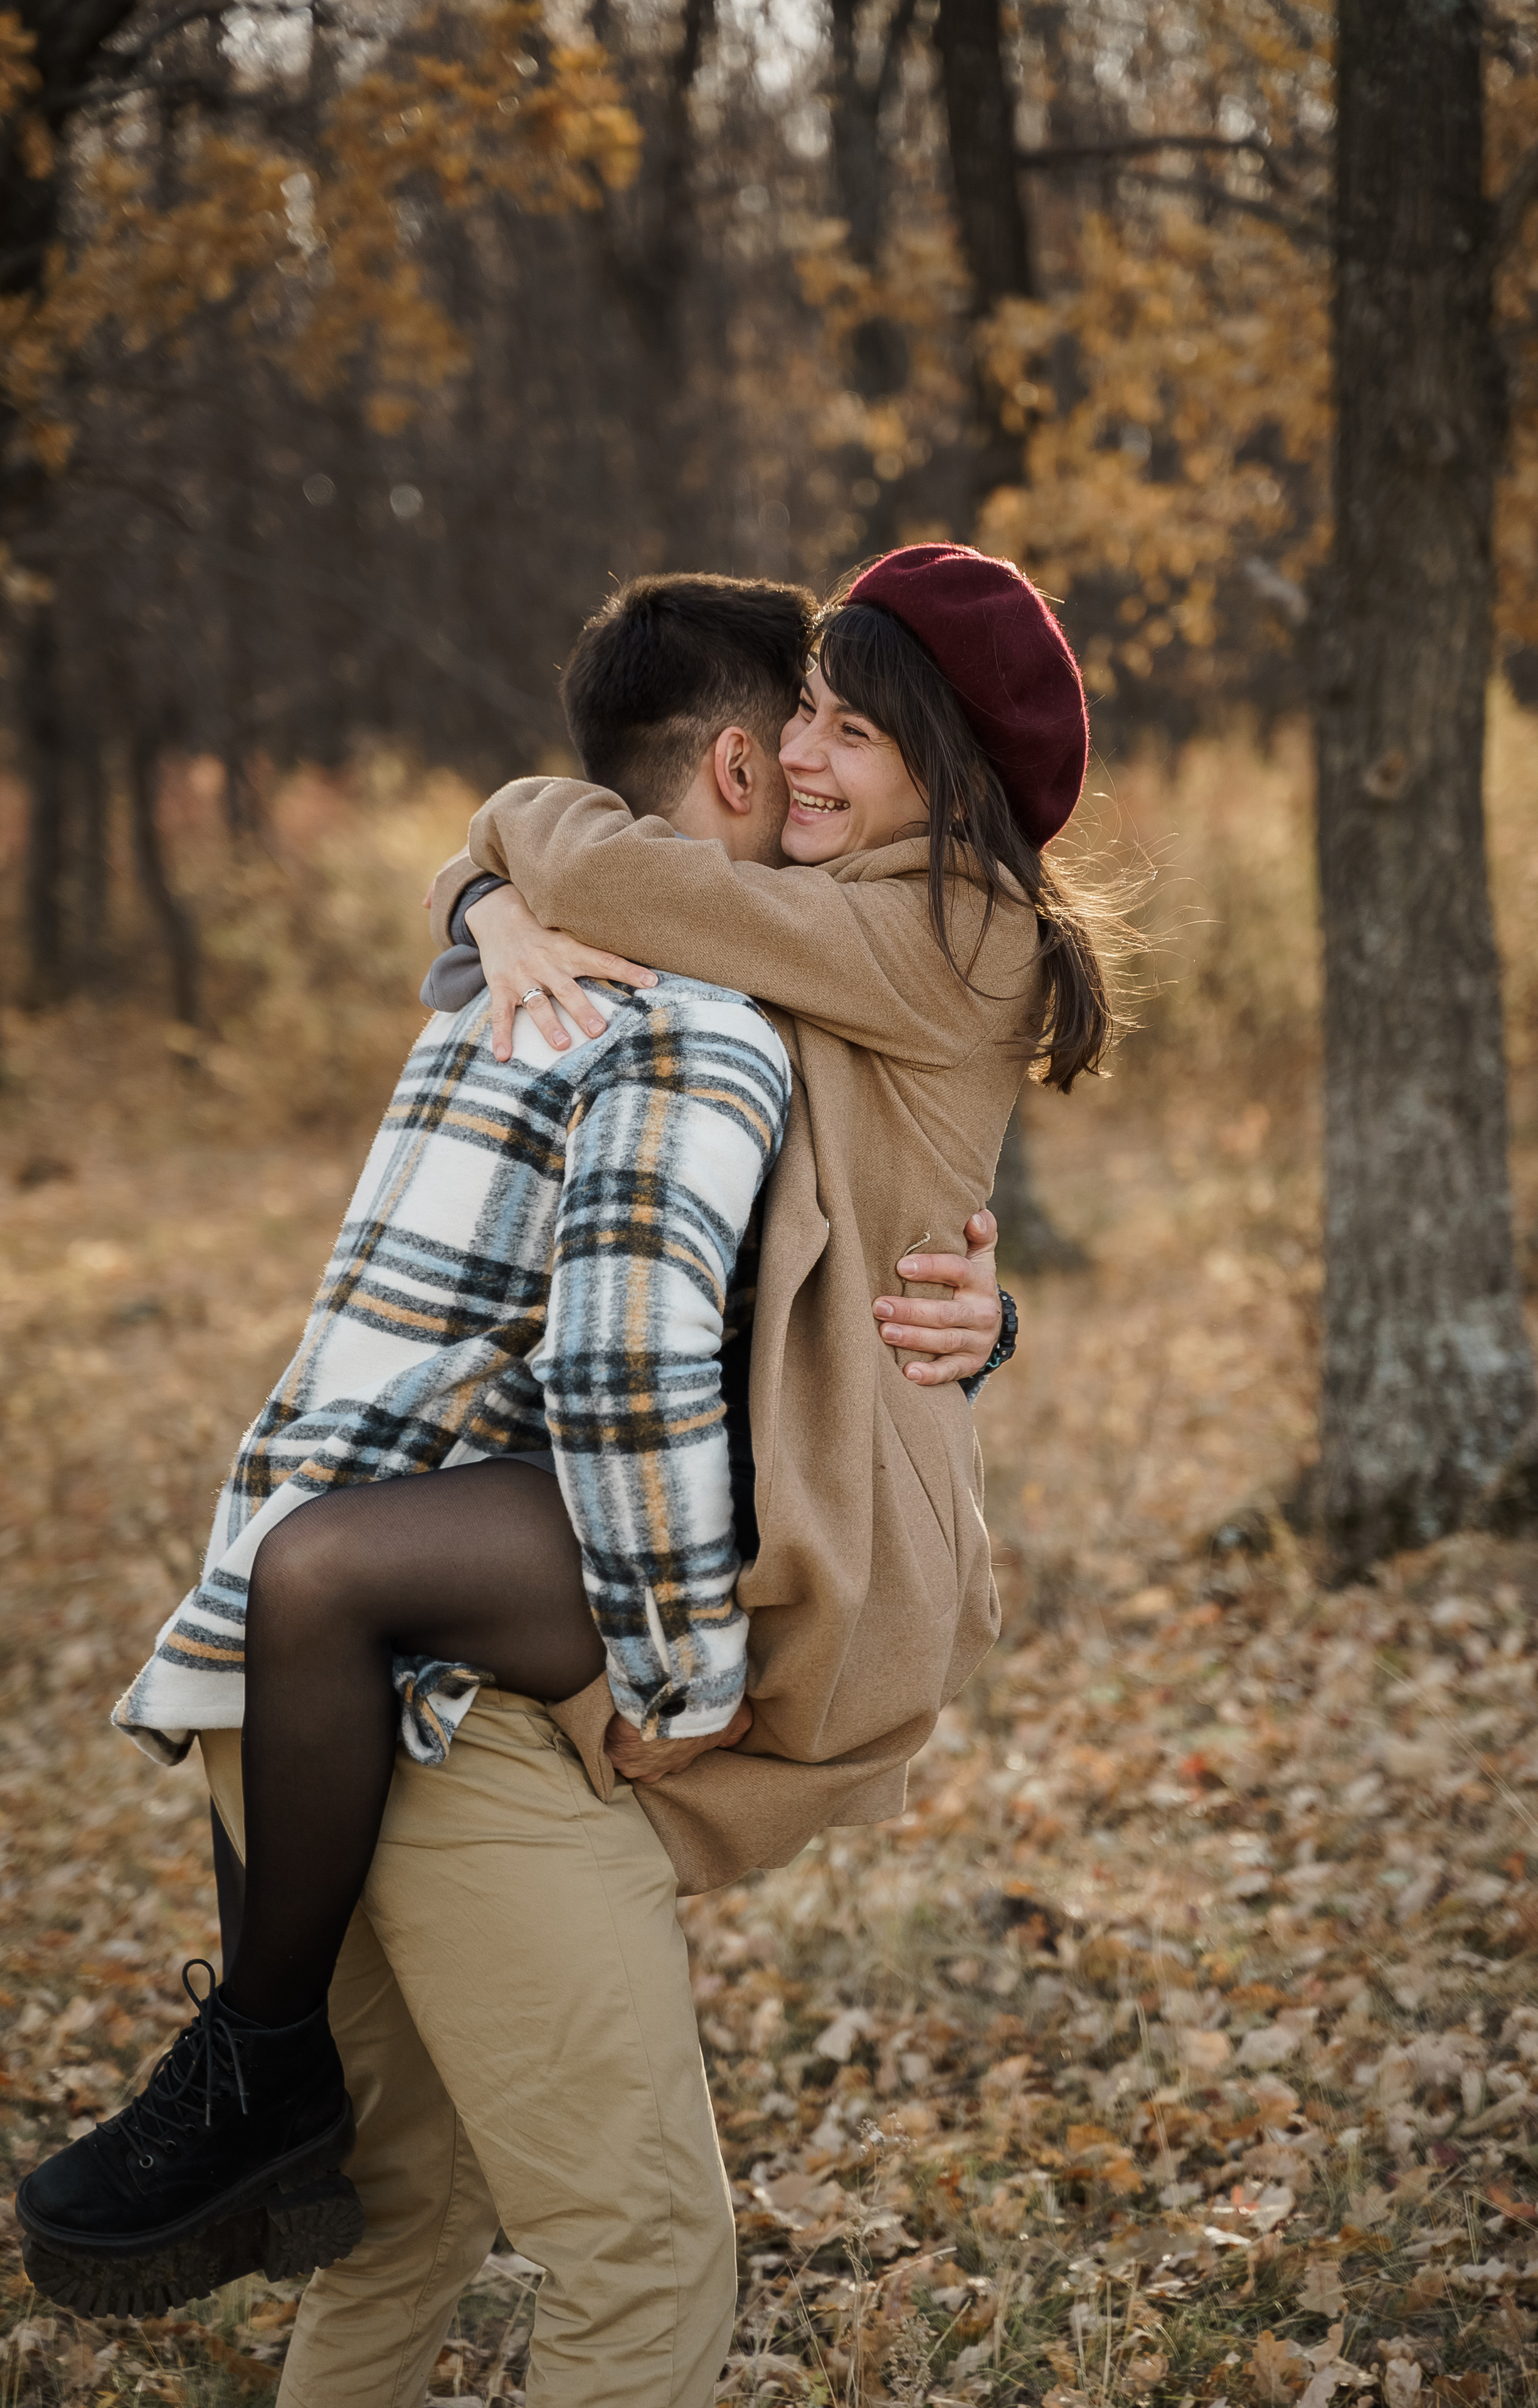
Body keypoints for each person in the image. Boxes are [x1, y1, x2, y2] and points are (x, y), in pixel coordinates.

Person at [14, 568, 1020, 2407]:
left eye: (856, 728)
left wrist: (496, 876)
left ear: (950, 770)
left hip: (297, 1659)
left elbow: (650, 903)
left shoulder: (867, 941)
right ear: (736, 762)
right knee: (628, 2259)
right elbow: (631, 1350)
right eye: (801, 717)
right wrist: (682, 1677)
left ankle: (251, 2062)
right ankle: (252, 2066)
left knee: (406, 2221)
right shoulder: (690, 1007)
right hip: (459, 1676)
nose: (810, 754)